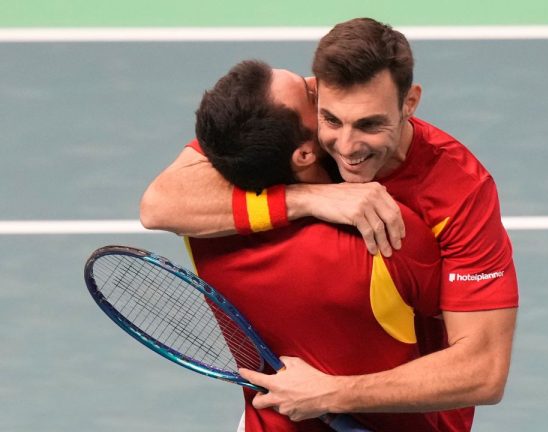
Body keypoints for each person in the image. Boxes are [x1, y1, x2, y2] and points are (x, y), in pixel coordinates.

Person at [141, 17, 518, 431]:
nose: (348, 147)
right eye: (332, 120)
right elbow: (159, 203)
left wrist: (331, 392)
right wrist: (313, 198)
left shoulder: (459, 191)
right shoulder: (284, 132)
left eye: (370, 124)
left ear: (410, 103)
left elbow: (483, 370)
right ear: (316, 94)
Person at [185, 58, 454, 431]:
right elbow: (466, 355)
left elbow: (161, 202)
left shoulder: (200, 230)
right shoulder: (390, 233)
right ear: (305, 153)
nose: (319, 85)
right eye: (311, 97)